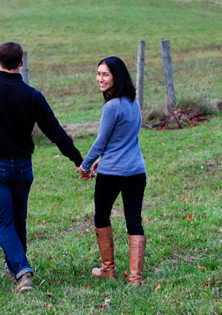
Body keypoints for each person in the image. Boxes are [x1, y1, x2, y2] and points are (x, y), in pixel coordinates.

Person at [0, 41, 84, 294]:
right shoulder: (32, 95)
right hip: (22, 166)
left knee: (2, 222)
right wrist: (78, 160)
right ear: (21, 63)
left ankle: (22, 272)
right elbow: (55, 131)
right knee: (18, 219)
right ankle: (14, 266)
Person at [77, 56, 147, 284]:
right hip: (136, 170)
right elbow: (125, 137)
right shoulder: (133, 102)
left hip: (113, 173)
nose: (100, 78)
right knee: (134, 220)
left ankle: (108, 269)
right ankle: (135, 278)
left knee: (102, 216)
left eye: (105, 74)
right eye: (98, 74)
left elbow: (101, 141)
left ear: (117, 76)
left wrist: (85, 165)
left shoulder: (111, 106)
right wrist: (103, 159)